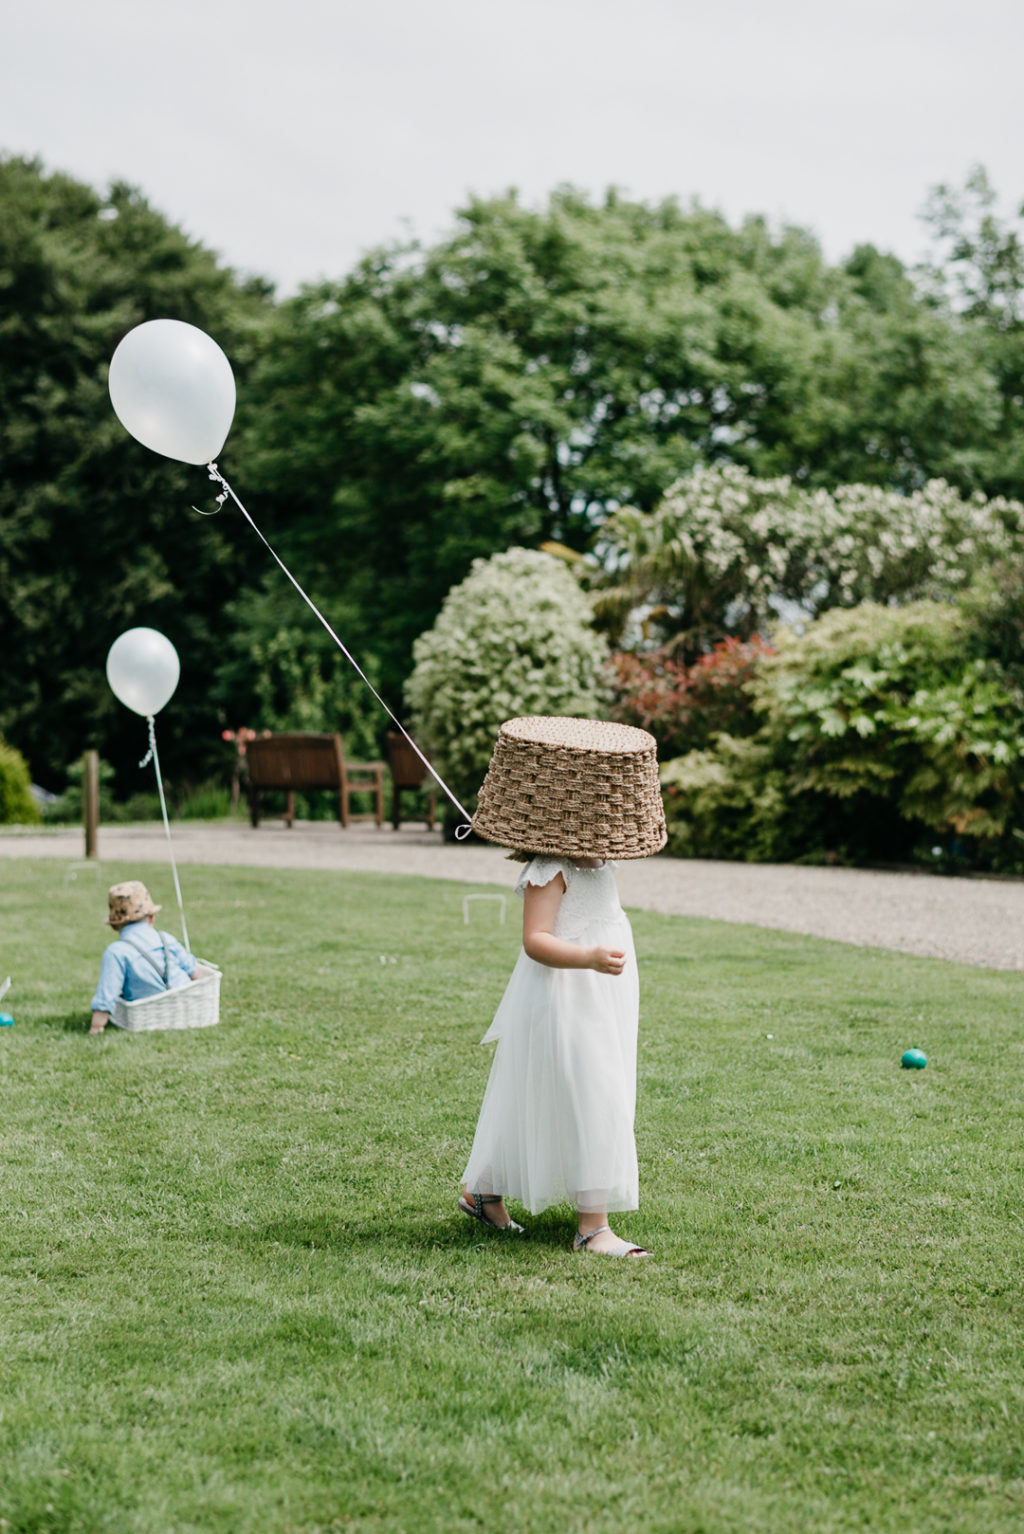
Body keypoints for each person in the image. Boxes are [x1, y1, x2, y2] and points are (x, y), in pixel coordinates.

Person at [458, 715, 667, 1257]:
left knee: (554, 1092)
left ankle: (483, 1191)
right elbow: (536, 940)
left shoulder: (600, 862)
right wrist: (590, 958)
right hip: (566, 994)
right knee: (588, 1093)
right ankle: (591, 1228)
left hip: (603, 996)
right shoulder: (550, 868)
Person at [89, 881, 197, 1035]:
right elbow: (193, 970)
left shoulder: (116, 951)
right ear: (152, 917)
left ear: (114, 925)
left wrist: (96, 1026)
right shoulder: (166, 938)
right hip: (186, 1005)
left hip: (147, 1011)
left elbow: (107, 992)